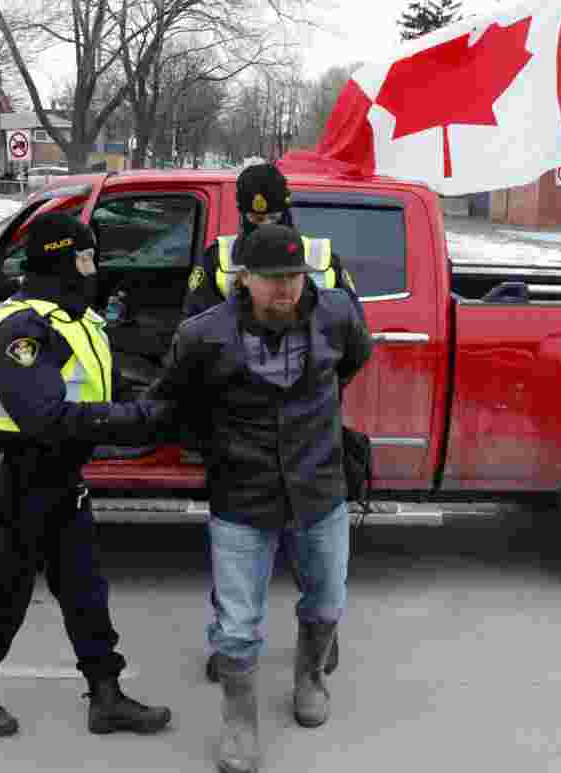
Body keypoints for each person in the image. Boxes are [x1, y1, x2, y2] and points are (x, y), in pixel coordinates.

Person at [148, 224, 373, 773]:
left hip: (319, 490)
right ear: (243, 277)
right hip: (242, 497)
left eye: (294, 277)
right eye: (272, 279)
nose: (286, 289)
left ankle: (310, 677)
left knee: (326, 602)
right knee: (236, 626)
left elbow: (352, 362)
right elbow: (174, 403)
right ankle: (239, 719)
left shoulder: (338, 314)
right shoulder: (204, 334)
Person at [0, 211, 176, 739]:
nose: (93, 267)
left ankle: (106, 696)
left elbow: (108, 393)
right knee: (3, 593)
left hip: (63, 480)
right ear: (57, 260)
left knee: (85, 593)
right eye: (85, 256)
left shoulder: (81, 321)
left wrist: (163, 409)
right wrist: (134, 421)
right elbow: (45, 416)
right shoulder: (16, 329)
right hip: (16, 481)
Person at [181, 162, 355, 685]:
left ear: (284, 206)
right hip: (239, 431)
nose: (259, 224)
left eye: (269, 213)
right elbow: (197, 333)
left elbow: (349, 338)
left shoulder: (317, 257)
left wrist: (313, 395)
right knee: (238, 555)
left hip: (305, 429)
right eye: (253, 214)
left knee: (315, 551)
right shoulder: (219, 257)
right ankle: (231, 640)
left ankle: (320, 636)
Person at [181, 162, 355, 320]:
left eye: (273, 217)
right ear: (243, 216)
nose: (265, 227)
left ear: (286, 213)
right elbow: (195, 329)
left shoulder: (322, 258)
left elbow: (351, 327)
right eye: (257, 219)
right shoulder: (217, 259)